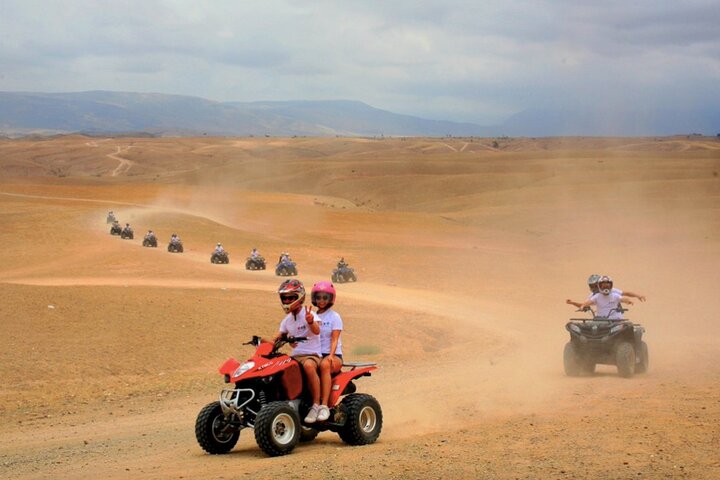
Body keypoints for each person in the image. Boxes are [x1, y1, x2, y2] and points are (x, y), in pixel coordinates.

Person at [270, 279, 322, 423]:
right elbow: (278, 336)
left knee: (308, 367)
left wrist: (311, 321)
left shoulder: (308, 314)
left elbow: (317, 331)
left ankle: (316, 405)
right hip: (295, 356)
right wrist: (264, 344)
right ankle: (291, 400)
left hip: (311, 355)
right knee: (280, 368)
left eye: (291, 297)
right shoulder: (287, 320)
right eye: (284, 298)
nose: (287, 300)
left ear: (299, 297)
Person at [311, 281, 343, 422]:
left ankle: (323, 406)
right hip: (316, 354)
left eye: (325, 298)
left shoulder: (334, 316)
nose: (321, 300)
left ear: (330, 299)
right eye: (319, 297)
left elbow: (335, 339)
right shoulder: (312, 315)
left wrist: (331, 355)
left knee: (324, 365)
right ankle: (311, 404)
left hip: (334, 355)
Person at [566, 274, 647, 308]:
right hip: (601, 319)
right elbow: (583, 305)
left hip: (615, 318)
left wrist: (638, 296)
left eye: (594, 285)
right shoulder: (593, 296)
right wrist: (573, 303)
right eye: (591, 286)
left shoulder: (612, 291)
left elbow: (625, 294)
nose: (593, 288)